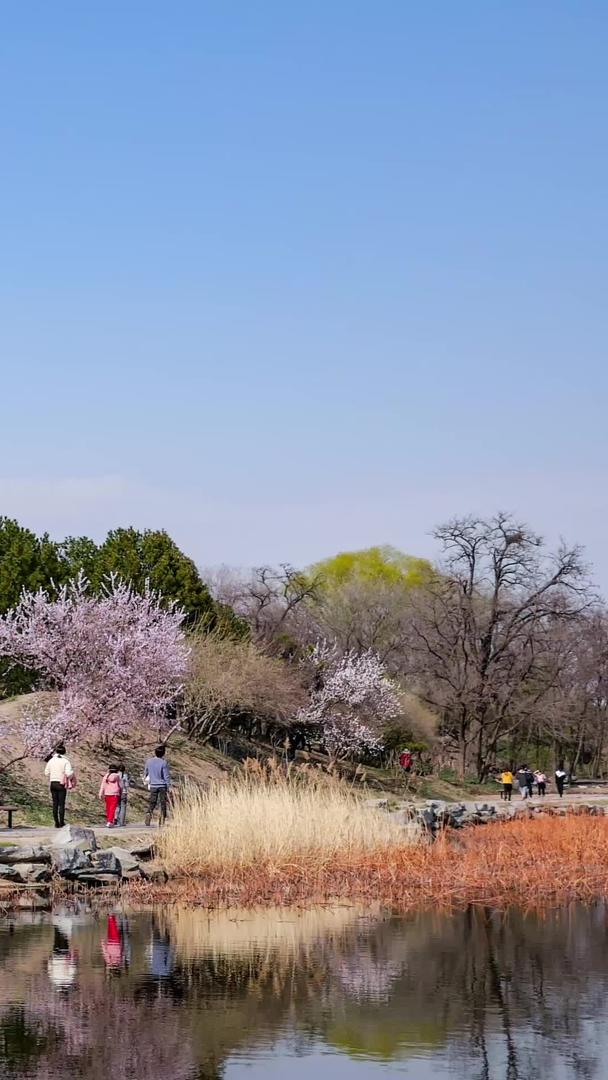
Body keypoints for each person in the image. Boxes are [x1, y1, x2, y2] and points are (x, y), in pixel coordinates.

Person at [44, 745, 74, 828]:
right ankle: (61, 822)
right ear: (64, 752)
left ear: (56, 751)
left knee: (55, 803)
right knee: (61, 804)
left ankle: (56, 822)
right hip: (61, 783)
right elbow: (69, 773)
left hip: (53, 783)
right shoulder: (65, 761)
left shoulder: (51, 760)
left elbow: (46, 772)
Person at [143, 746, 170, 827]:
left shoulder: (149, 761)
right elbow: (166, 776)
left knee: (152, 802)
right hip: (162, 785)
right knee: (163, 803)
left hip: (153, 785)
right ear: (163, 753)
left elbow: (146, 773)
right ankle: (162, 819)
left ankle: (149, 813)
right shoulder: (163, 762)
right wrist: (168, 786)